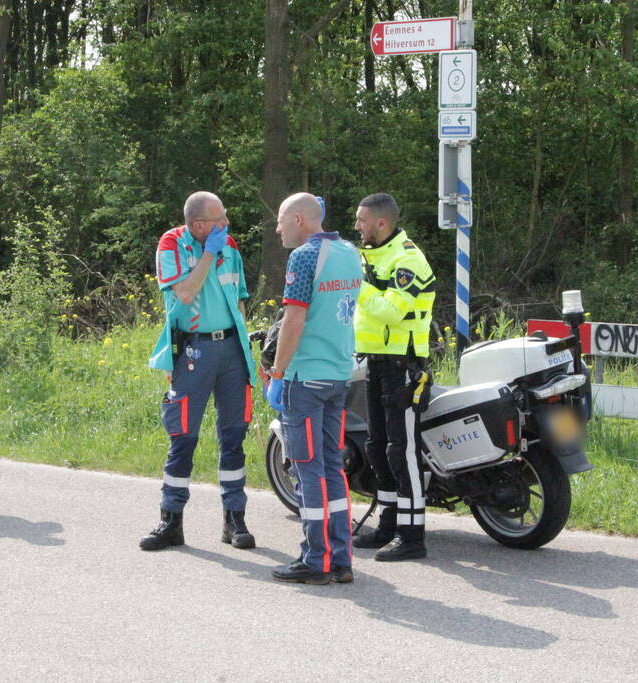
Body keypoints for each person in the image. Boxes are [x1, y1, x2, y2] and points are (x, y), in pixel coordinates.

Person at [141, 191, 257, 551]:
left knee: (234, 435)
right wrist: (209, 254)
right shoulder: (172, 243)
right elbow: (186, 293)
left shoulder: (230, 245)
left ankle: (234, 520)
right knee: (184, 436)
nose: (226, 225)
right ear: (198, 224)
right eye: (218, 219)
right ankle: (170, 520)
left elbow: (239, 297)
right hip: (193, 348)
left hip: (232, 349)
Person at [266, 193, 362, 585]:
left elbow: (294, 320)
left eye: (281, 219)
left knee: (307, 470)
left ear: (301, 219)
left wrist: (277, 373)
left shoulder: (305, 256)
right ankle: (341, 559)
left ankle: (315, 559)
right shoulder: (350, 251)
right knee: (332, 468)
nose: (277, 228)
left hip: (306, 378)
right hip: (339, 374)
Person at [352, 192, 435, 561]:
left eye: (362, 221)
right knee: (377, 446)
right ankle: (388, 523)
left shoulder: (408, 260)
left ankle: (412, 535)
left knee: (403, 451)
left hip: (404, 365)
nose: (357, 226)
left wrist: (359, 286)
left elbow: (389, 312)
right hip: (378, 362)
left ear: (381, 224)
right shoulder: (372, 256)